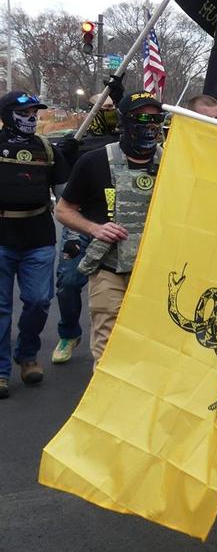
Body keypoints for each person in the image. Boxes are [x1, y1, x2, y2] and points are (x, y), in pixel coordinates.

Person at [54, 91, 164, 365]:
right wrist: (94, 228)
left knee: (149, 350)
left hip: (155, 271)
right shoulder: (94, 161)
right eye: (140, 117)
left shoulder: (174, 162)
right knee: (108, 351)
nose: (149, 124)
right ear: (124, 121)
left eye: (155, 118)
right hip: (109, 268)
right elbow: (63, 209)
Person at [0, 92, 70, 398]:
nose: (32, 117)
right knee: (1, 309)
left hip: (39, 237)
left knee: (40, 300)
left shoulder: (46, 149)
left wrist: (70, 156)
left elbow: (66, 195)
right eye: (25, 112)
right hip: (1, 237)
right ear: (8, 114)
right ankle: (1, 371)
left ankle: (27, 354)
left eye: (34, 112)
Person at [50, 85, 123, 365]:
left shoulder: (128, 139)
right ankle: (69, 333)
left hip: (118, 225)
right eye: (100, 108)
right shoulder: (76, 141)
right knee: (68, 282)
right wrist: (63, 155)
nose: (107, 113)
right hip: (82, 225)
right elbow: (60, 181)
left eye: (111, 108)